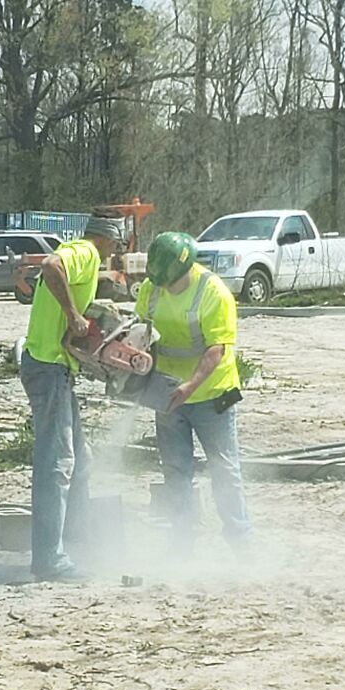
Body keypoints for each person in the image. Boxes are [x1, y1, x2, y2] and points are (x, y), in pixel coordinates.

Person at [20, 215, 122, 582]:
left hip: (54, 366)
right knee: (57, 463)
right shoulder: (85, 253)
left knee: (79, 460)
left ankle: (77, 541)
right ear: (108, 242)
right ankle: (48, 559)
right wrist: (73, 314)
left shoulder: (85, 259)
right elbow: (49, 266)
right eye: (115, 248)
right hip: (49, 368)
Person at [135, 231, 251, 552]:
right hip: (168, 394)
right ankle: (182, 542)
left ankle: (240, 540)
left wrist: (190, 386)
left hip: (213, 395)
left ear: (184, 268)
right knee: (175, 470)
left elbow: (216, 349)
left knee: (224, 469)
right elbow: (141, 331)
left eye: (169, 281)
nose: (165, 287)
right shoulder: (152, 287)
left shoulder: (213, 292)